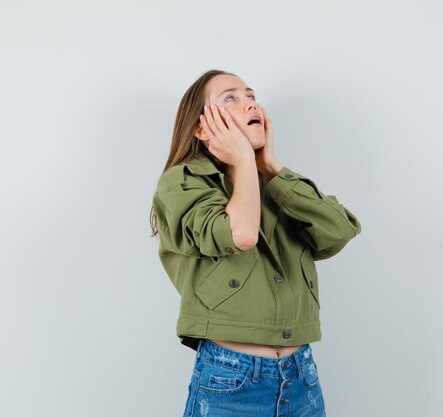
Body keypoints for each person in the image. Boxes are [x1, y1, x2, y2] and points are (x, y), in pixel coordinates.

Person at [150, 69, 361, 416]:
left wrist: (272, 166)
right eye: (231, 98)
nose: (251, 104)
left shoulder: (276, 187)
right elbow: (241, 234)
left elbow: (340, 230)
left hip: (301, 376)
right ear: (202, 128)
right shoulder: (182, 184)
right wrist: (245, 160)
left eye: (251, 96)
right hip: (230, 379)